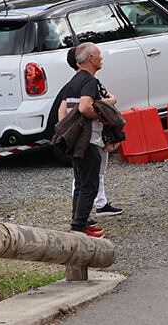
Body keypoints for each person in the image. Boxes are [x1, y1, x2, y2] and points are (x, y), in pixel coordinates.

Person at [58, 42, 107, 237]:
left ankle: (79, 221)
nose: (101, 56)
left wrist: (64, 130)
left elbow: (63, 109)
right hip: (87, 139)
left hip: (75, 139)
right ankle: (79, 227)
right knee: (89, 184)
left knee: (80, 182)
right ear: (90, 59)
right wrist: (102, 114)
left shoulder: (72, 82)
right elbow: (85, 107)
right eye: (98, 54)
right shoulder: (89, 81)